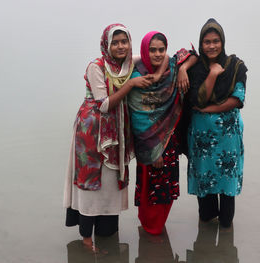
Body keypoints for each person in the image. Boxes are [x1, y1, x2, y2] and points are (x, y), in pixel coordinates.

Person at [63, 23, 164, 249]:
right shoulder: (96, 66)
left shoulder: (126, 64)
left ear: (130, 43)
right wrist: (131, 84)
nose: (120, 46)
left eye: (124, 42)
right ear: (106, 45)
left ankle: (107, 232)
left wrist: (172, 70)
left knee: (110, 182)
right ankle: (87, 237)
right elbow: (105, 105)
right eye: (115, 42)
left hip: (116, 132)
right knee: (91, 183)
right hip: (91, 132)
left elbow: (155, 57)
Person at [128, 31, 197, 235]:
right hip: (148, 143)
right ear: (144, 51)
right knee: (151, 189)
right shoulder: (136, 75)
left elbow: (193, 54)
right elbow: (138, 117)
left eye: (161, 50)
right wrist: (154, 149)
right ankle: (152, 230)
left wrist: (183, 67)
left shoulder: (172, 69)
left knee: (164, 190)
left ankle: (157, 229)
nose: (157, 54)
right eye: (152, 50)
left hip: (169, 141)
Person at [186, 18, 248, 228]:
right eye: (206, 42)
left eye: (216, 41)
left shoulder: (235, 66)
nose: (211, 46)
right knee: (204, 180)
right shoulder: (195, 69)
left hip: (227, 137)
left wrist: (208, 110)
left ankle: (226, 222)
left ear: (222, 42)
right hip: (201, 137)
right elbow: (197, 99)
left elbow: (237, 99)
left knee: (226, 177)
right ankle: (207, 221)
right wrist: (212, 74)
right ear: (201, 44)